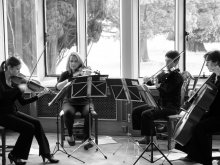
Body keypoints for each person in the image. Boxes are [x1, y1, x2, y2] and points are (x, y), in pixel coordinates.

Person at [0, 56, 59, 165]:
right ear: (9, 67)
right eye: (17, 69)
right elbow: (3, 96)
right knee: (28, 128)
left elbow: (22, 102)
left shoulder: (14, 82)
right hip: (2, 115)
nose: (19, 72)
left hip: (12, 112)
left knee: (36, 123)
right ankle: (15, 154)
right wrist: (18, 88)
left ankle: (46, 153)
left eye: (19, 69)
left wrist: (39, 96)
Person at [175, 50, 220, 165]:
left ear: (216, 63)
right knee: (193, 122)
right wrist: (195, 94)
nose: (206, 65)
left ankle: (205, 159)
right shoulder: (214, 76)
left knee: (200, 127)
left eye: (208, 62)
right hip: (213, 113)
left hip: (219, 115)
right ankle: (192, 155)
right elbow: (208, 95)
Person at [132, 50, 184, 144]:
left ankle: (153, 141)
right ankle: (146, 136)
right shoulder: (166, 74)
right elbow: (155, 83)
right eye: (166, 61)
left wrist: (158, 86)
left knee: (146, 114)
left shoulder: (177, 77)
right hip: (160, 105)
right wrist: (148, 81)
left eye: (169, 61)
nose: (166, 63)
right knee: (136, 111)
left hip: (170, 107)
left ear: (176, 62)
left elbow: (167, 90)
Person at [55, 52, 95, 149]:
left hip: (85, 101)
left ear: (80, 63)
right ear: (68, 62)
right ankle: (70, 136)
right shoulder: (66, 74)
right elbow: (57, 87)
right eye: (71, 61)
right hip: (70, 102)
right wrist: (69, 79)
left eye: (76, 61)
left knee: (88, 113)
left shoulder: (84, 72)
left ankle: (86, 139)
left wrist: (88, 75)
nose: (73, 63)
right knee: (67, 112)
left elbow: (92, 85)